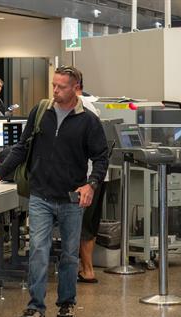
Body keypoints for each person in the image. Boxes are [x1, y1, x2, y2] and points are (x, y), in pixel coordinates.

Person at [0, 66, 108, 317]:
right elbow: (21, 148)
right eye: (54, 85)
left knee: (69, 256)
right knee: (39, 251)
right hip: (40, 194)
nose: (55, 90)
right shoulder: (41, 112)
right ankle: (35, 308)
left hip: (71, 197)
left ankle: (66, 303)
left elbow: (100, 157)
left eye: (61, 87)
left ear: (76, 89)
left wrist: (91, 184)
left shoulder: (88, 121)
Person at [77, 78, 107, 284]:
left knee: (83, 224)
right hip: (98, 176)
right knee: (91, 222)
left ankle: (87, 270)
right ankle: (87, 268)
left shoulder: (81, 106)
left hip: (86, 177)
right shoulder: (92, 105)